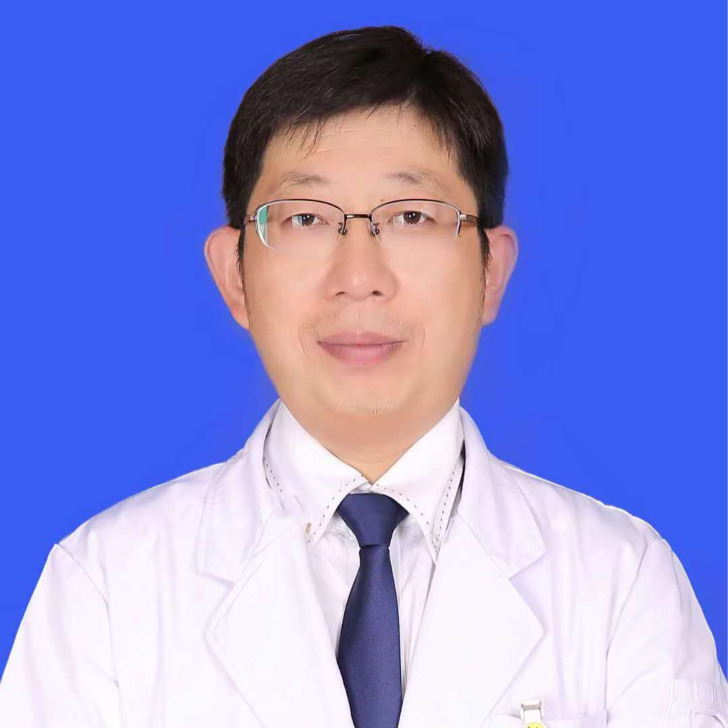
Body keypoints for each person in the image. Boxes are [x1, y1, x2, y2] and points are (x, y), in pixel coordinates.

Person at [1, 24, 725, 728]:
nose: (358, 277)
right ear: (234, 277)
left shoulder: (622, 584)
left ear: (491, 272)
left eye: (411, 216)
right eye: (305, 220)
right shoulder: (103, 588)